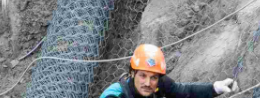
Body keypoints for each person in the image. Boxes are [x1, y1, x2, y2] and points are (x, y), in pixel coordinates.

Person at [100, 45, 238, 98]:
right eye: (142, 75)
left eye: (153, 77)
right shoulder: (115, 95)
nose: (148, 82)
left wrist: (216, 88)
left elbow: (185, 92)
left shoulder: (159, 83)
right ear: (132, 73)